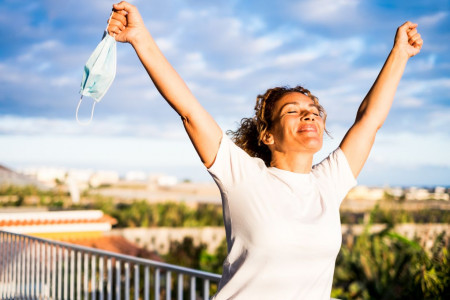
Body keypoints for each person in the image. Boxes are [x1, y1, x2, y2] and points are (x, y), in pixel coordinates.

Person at [107, 2, 423, 299]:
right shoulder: (243, 177)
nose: (309, 114)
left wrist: (400, 54)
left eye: (313, 109)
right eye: (293, 111)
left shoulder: (329, 183)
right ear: (268, 135)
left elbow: (368, 121)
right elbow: (188, 110)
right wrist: (140, 38)